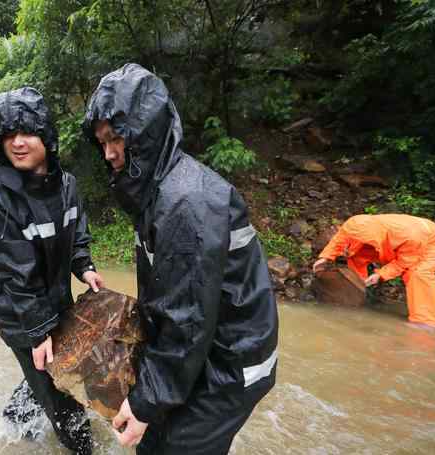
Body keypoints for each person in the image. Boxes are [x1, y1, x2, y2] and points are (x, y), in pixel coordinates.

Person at [81, 63, 279, 454]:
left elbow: (187, 317)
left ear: (146, 130)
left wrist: (145, 401)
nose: (110, 153)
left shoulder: (185, 202)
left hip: (228, 363)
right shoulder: (161, 190)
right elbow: (174, 299)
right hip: (209, 349)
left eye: (117, 137)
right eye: (102, 142)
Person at [0, 87, 104, 454]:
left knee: (49, 377)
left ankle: (14, 419)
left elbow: (76, 235)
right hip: (20, 316)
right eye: (8, 136)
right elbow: (14, 277)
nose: (18, 143)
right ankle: (80, 448)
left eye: (26, 132)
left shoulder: (68, 187)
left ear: (46, 135)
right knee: (63, 398)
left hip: (56, 302)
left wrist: (84, 266)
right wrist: (39, 330)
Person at [314, 214, 435, 328]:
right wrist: (325, 257)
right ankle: (357, 288)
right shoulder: (355, 223)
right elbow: (340, 239)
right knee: (355, 254)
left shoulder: (409, 235)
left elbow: (405, 262)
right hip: (394, 245)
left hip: (434, 243)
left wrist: (380, 275)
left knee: (417, 273)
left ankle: (428, 322)